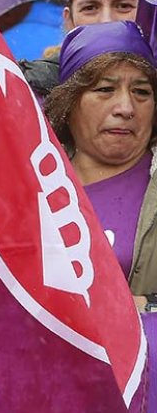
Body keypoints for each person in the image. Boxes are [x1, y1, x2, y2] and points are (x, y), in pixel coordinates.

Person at [42, 21, 157, 311]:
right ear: (68, 104)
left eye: (141, 92)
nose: (126, 108)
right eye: (105, 89)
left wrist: (145, 307)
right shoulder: (31, 182)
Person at [22, 0, 142, 97]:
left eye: (124, 6)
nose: (106, 21)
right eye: (90, 8)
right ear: (69, 20)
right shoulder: (35, 91)